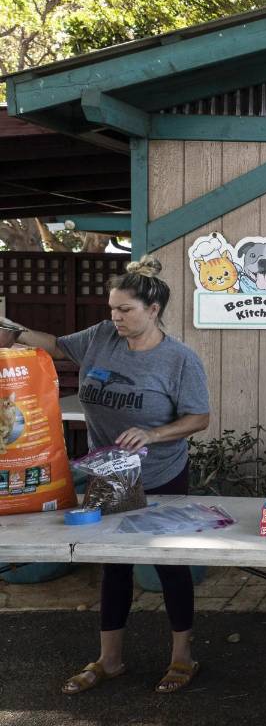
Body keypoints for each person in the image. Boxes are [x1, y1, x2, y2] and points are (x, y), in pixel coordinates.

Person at [0, 256, 211, 695]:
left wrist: (154, 433)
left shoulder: (178, 360)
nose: (115, 317)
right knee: (113, 566)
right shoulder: (100, 337)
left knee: (170, 567)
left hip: (160, 476)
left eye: (124, 310)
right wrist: (15, 332)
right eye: (112, 308)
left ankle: (182, 657)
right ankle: (109, 660)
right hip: (107, 475)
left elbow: (199, 418)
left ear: (153, 310)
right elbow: (57, 345)